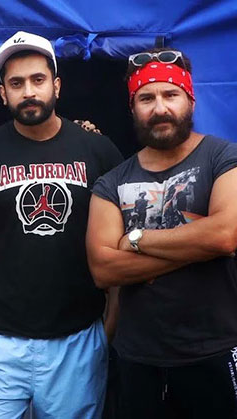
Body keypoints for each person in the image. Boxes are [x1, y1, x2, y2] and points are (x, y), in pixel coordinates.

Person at [0, 31, 123, 418]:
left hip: (77, 340)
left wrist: (110, 323)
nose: (28, 92)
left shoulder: (98, 151)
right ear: (2, 93)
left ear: (56, 85)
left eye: (38, 80)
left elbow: (118, 244)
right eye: (16, 83)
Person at [87, 47, 237, 418]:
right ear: (132, 108)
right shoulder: (111, 182)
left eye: (171, 94)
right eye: (146, 98)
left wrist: (136, 240)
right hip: (139, 357)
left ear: (190, 100)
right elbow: (103, 268)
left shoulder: (223, 157)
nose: (160, 108)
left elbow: (226, 234)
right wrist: (198, 246)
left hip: (217, 349)